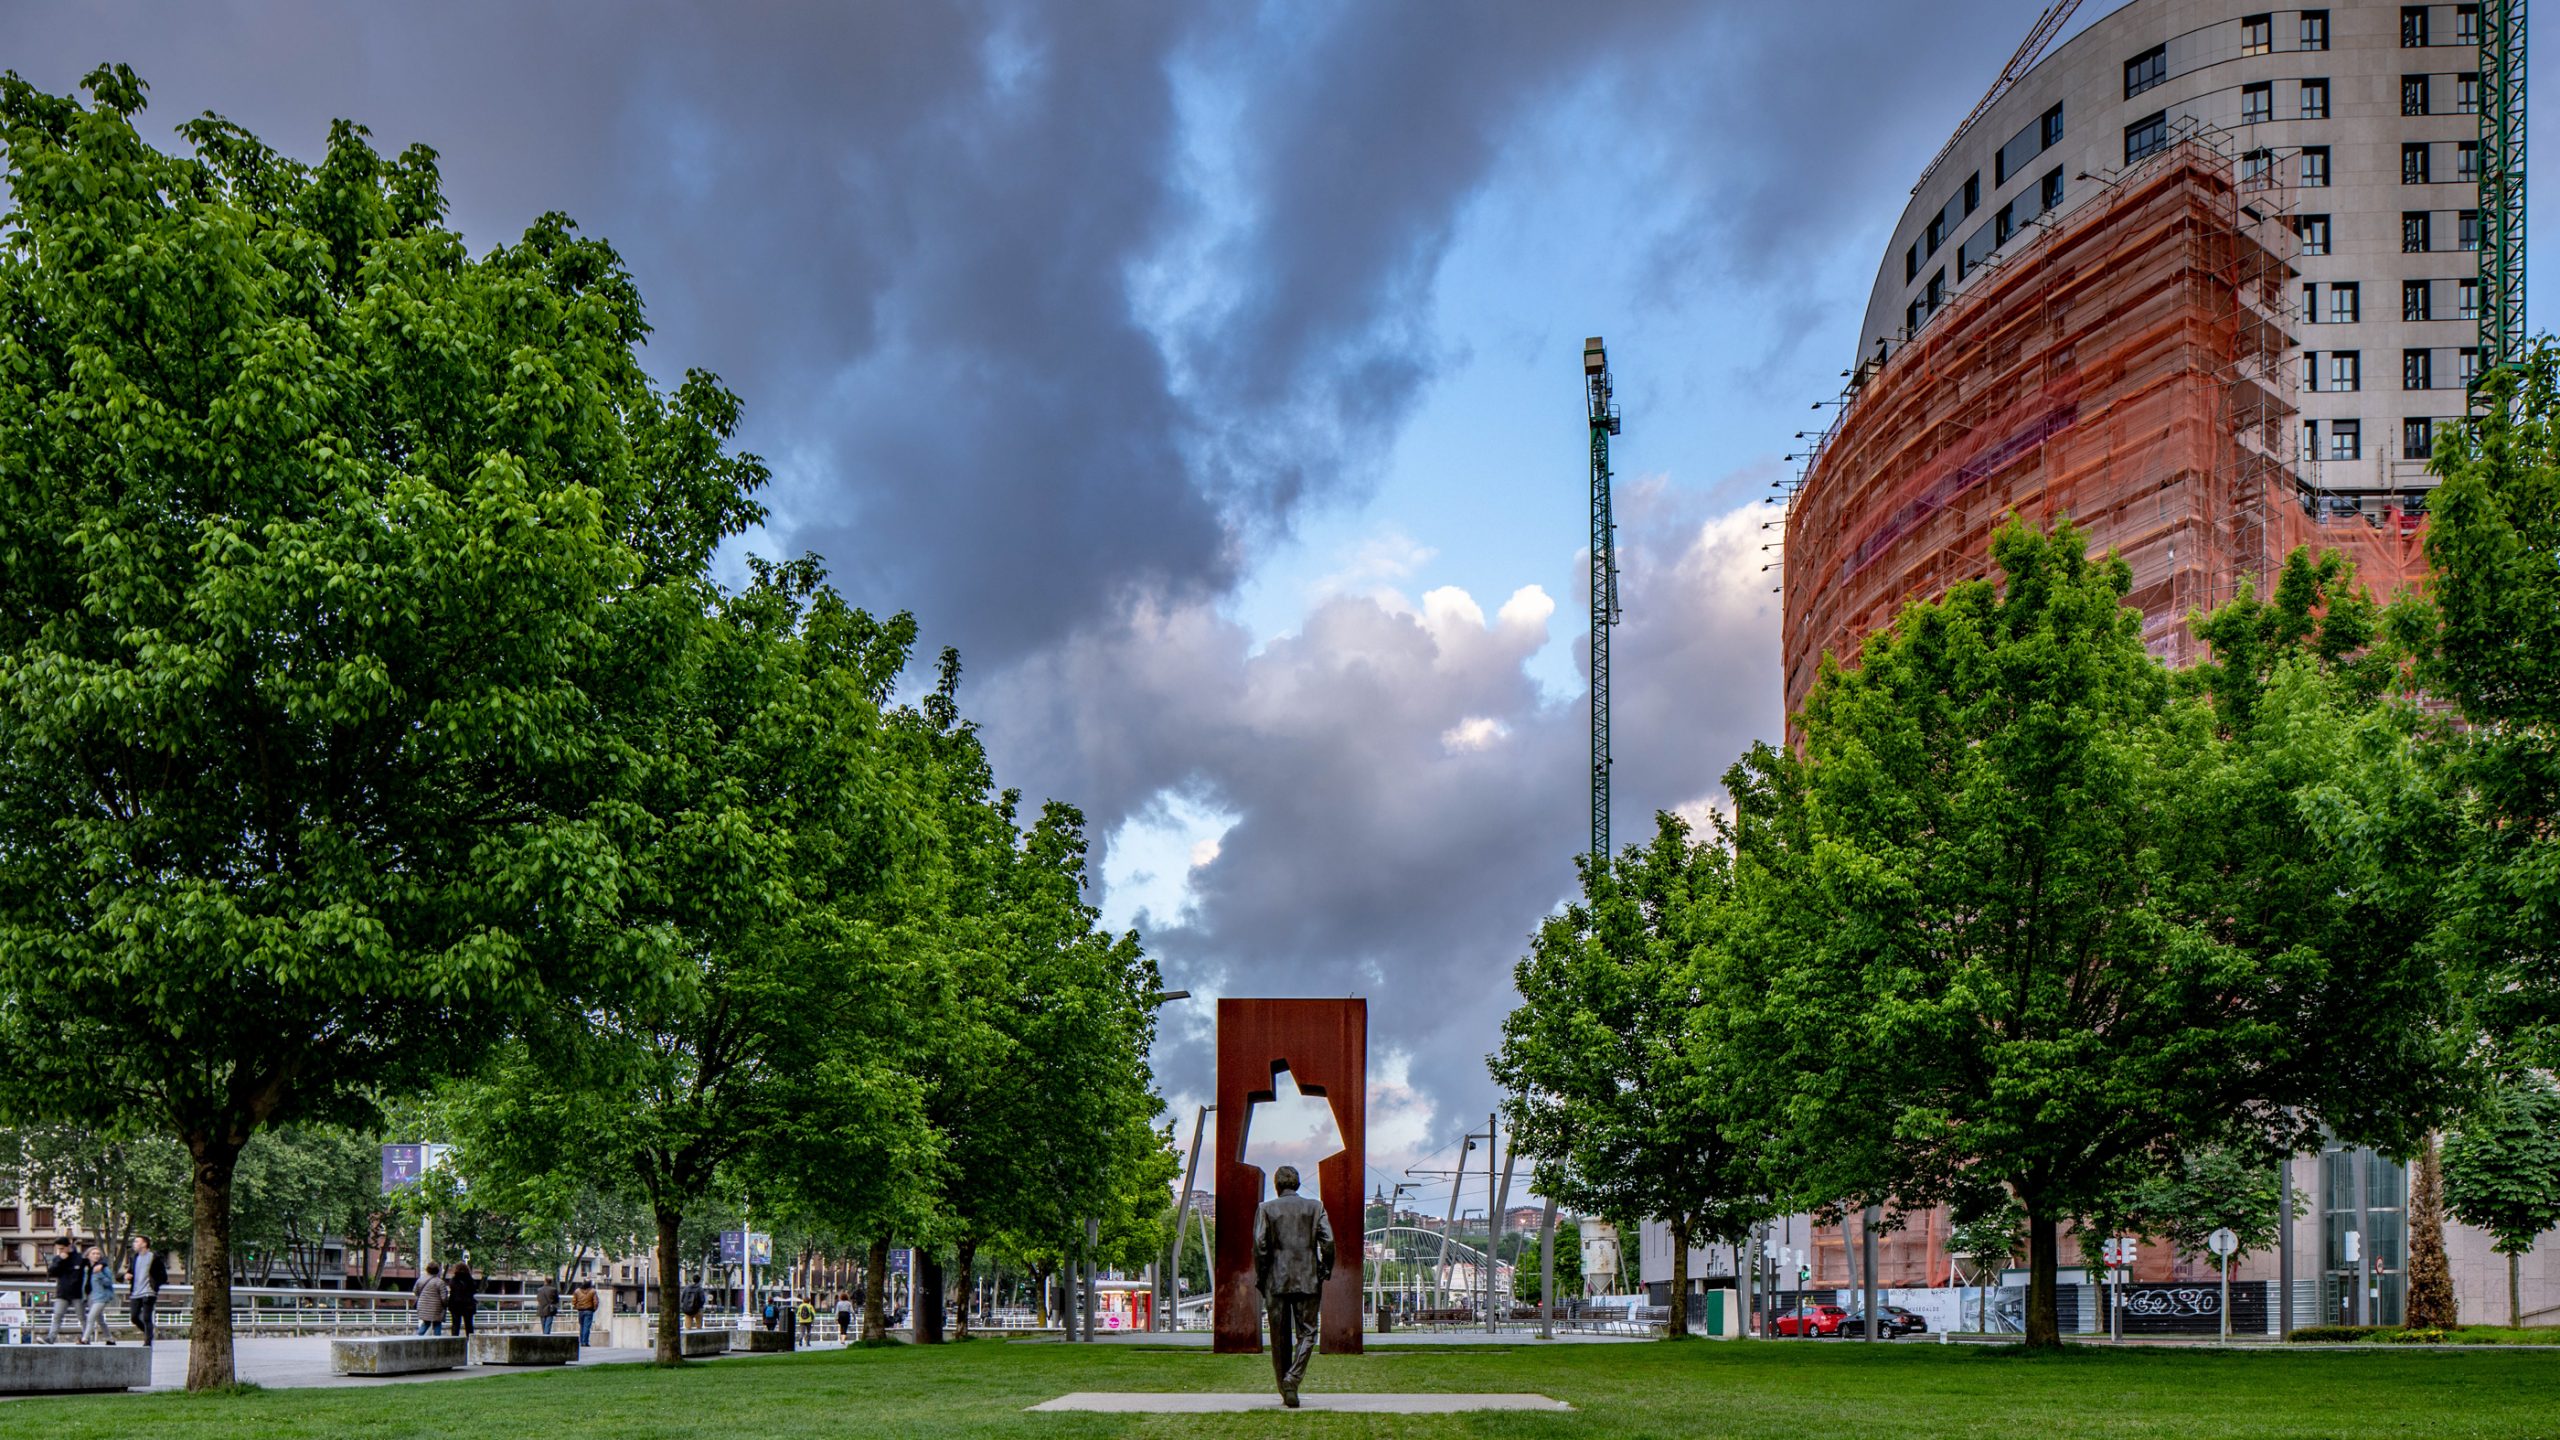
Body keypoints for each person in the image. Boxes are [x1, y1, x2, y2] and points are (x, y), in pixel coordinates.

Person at [1252, 1164, 1335, 1409]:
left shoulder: (1266, 1209)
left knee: (1278, 1337)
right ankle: (1293, 1379)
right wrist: (1325, 1268)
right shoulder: (1315, 1207)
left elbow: (1259, 1245)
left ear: (1277, 1185)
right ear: (1297, 1183)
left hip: (1276, 1279)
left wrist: (1262, 1276)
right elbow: (1328, 1241)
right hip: (1308, 1278)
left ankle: (1285, 1387)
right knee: (1308, 1333)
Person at [44, 1239, 85, 1344]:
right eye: (58, 1249)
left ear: (69, 1246)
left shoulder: (80, 1258)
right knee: (57, 1316)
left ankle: (86, 1338)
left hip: (77, 1293)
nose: (60, 1251)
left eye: (62, 1248)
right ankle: (50, 1338)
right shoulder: (57, 1258)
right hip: (62, 1293)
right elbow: (51, 1272)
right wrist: (60, 1260)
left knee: (82, 1317)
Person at [128, 1235, 165, 1348]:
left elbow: (163, 1276)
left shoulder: (154, 1258)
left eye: (136, 1242)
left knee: (146, 1317)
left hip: (149, 1292)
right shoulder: (134, 1258)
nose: (134, 1244)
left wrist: (154, 1285)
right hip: (135, 1292)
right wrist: (127, 1275)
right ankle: (149, 1333)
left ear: (144, 1244)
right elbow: (130, 1272)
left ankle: (147, 1343)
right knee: (134, 1317)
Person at [80, 1244, 116, 1344]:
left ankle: (84, 1339)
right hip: (89, 1297)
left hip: (101, 1297)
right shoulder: (86, 1268)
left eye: (98, 1254)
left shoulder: (104, 1268)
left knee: (91, 1317)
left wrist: (99, 1273)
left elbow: (109, 1283)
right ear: (88, 1255)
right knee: (100, 1319)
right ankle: (110, 1339)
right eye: (93, 1253)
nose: (96, 1255)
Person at [415, 1261, 449, 1336]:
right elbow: (444, 1298)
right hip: (436, 1308)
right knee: (437, 1324)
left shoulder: (420, 1280)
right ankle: (437, 1340)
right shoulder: (440, 1282)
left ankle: (417, 1338)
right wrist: (445, 1305)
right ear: (437, 1270)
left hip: (423, 1306)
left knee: (426, 1323)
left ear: (427, 1269)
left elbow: (415, 1292)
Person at [449, 1261, 479, 1338]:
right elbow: (474, 1290)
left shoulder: (454, 1280)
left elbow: (452, 1291)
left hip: (455, 1305)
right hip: (468, 1305)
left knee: (455, 1325)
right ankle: (470, 1341)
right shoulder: (470, 1280)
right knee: (469, 1325)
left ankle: (454, 1341)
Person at [570, 1277, 599, 1347]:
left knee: (582, 1326)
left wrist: (576, 1307)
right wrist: (594, 1309)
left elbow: (573, 1301)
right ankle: (585, 1342)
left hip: (580, 1311)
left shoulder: (577, 1291)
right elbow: (596, 1302)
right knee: (587, 1327)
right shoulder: (593, 1291)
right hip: (589, 1310)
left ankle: (581, 1341)